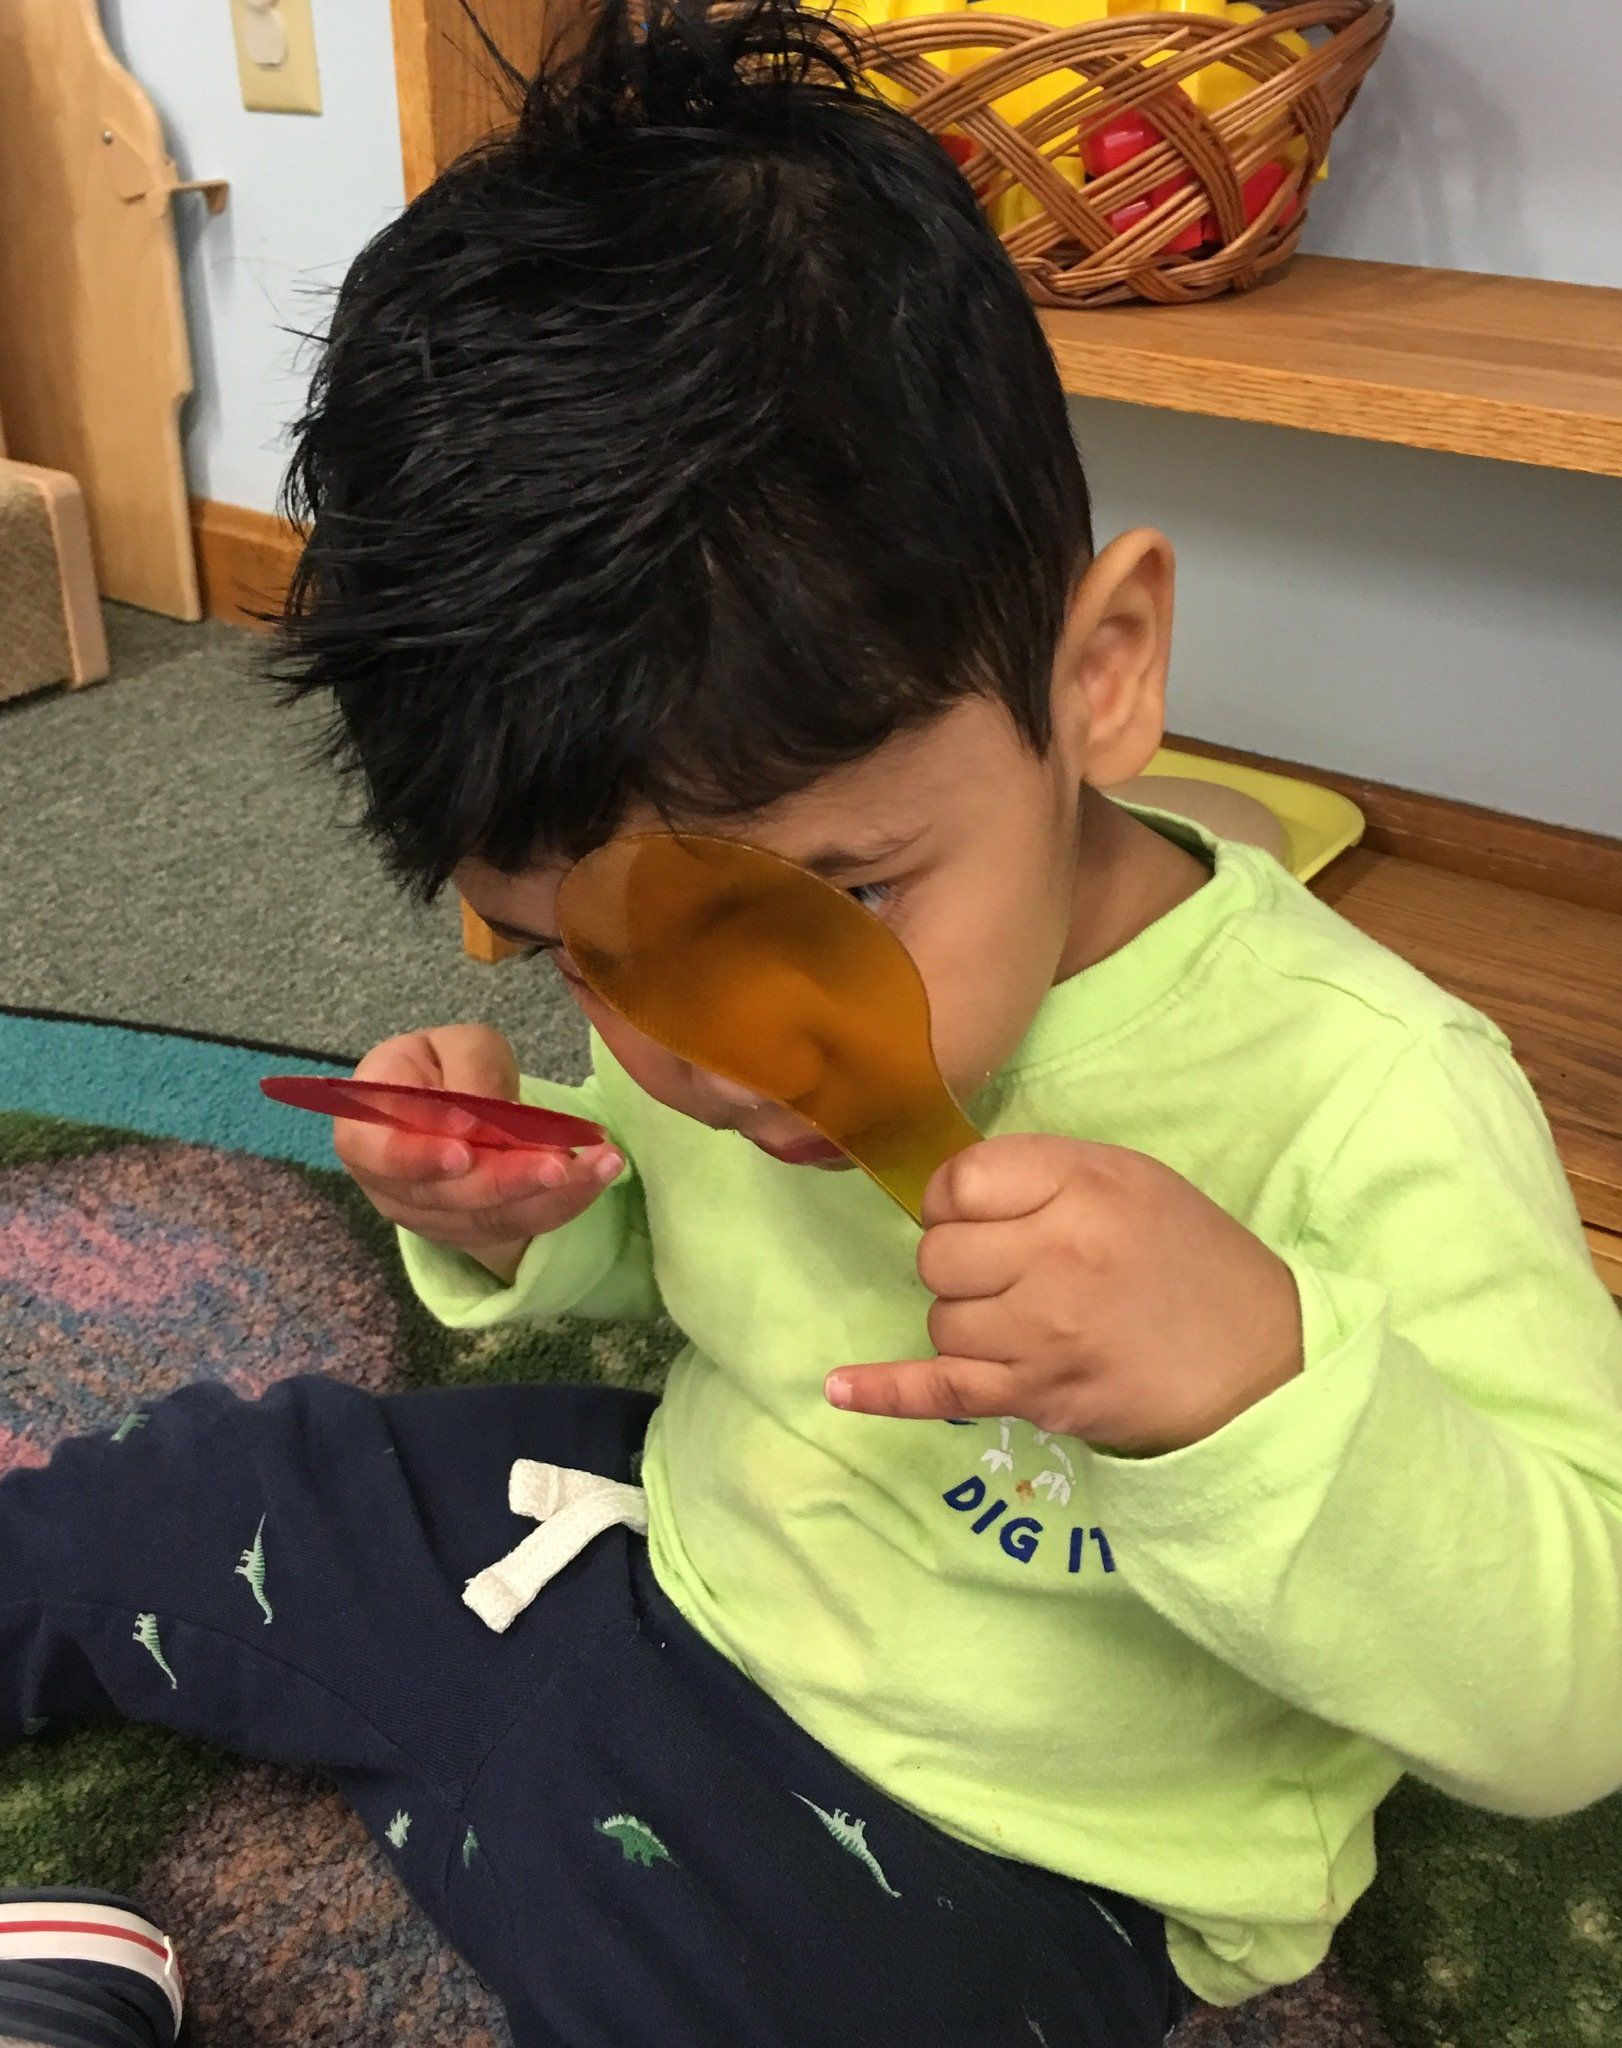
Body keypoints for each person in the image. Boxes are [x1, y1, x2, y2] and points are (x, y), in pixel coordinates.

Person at [3, 2, 1620, 2043]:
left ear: (1099, 673)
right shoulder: (703, 1036)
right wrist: (540, 1211)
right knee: (230, 1493)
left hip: (1008, 1841)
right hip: (645, 1549)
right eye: (577, 948)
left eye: (837, 910)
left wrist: (1262, 1394)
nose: (715, 1057)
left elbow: (1573, 1696)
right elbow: (687, 1215)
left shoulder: (1363, 1090)